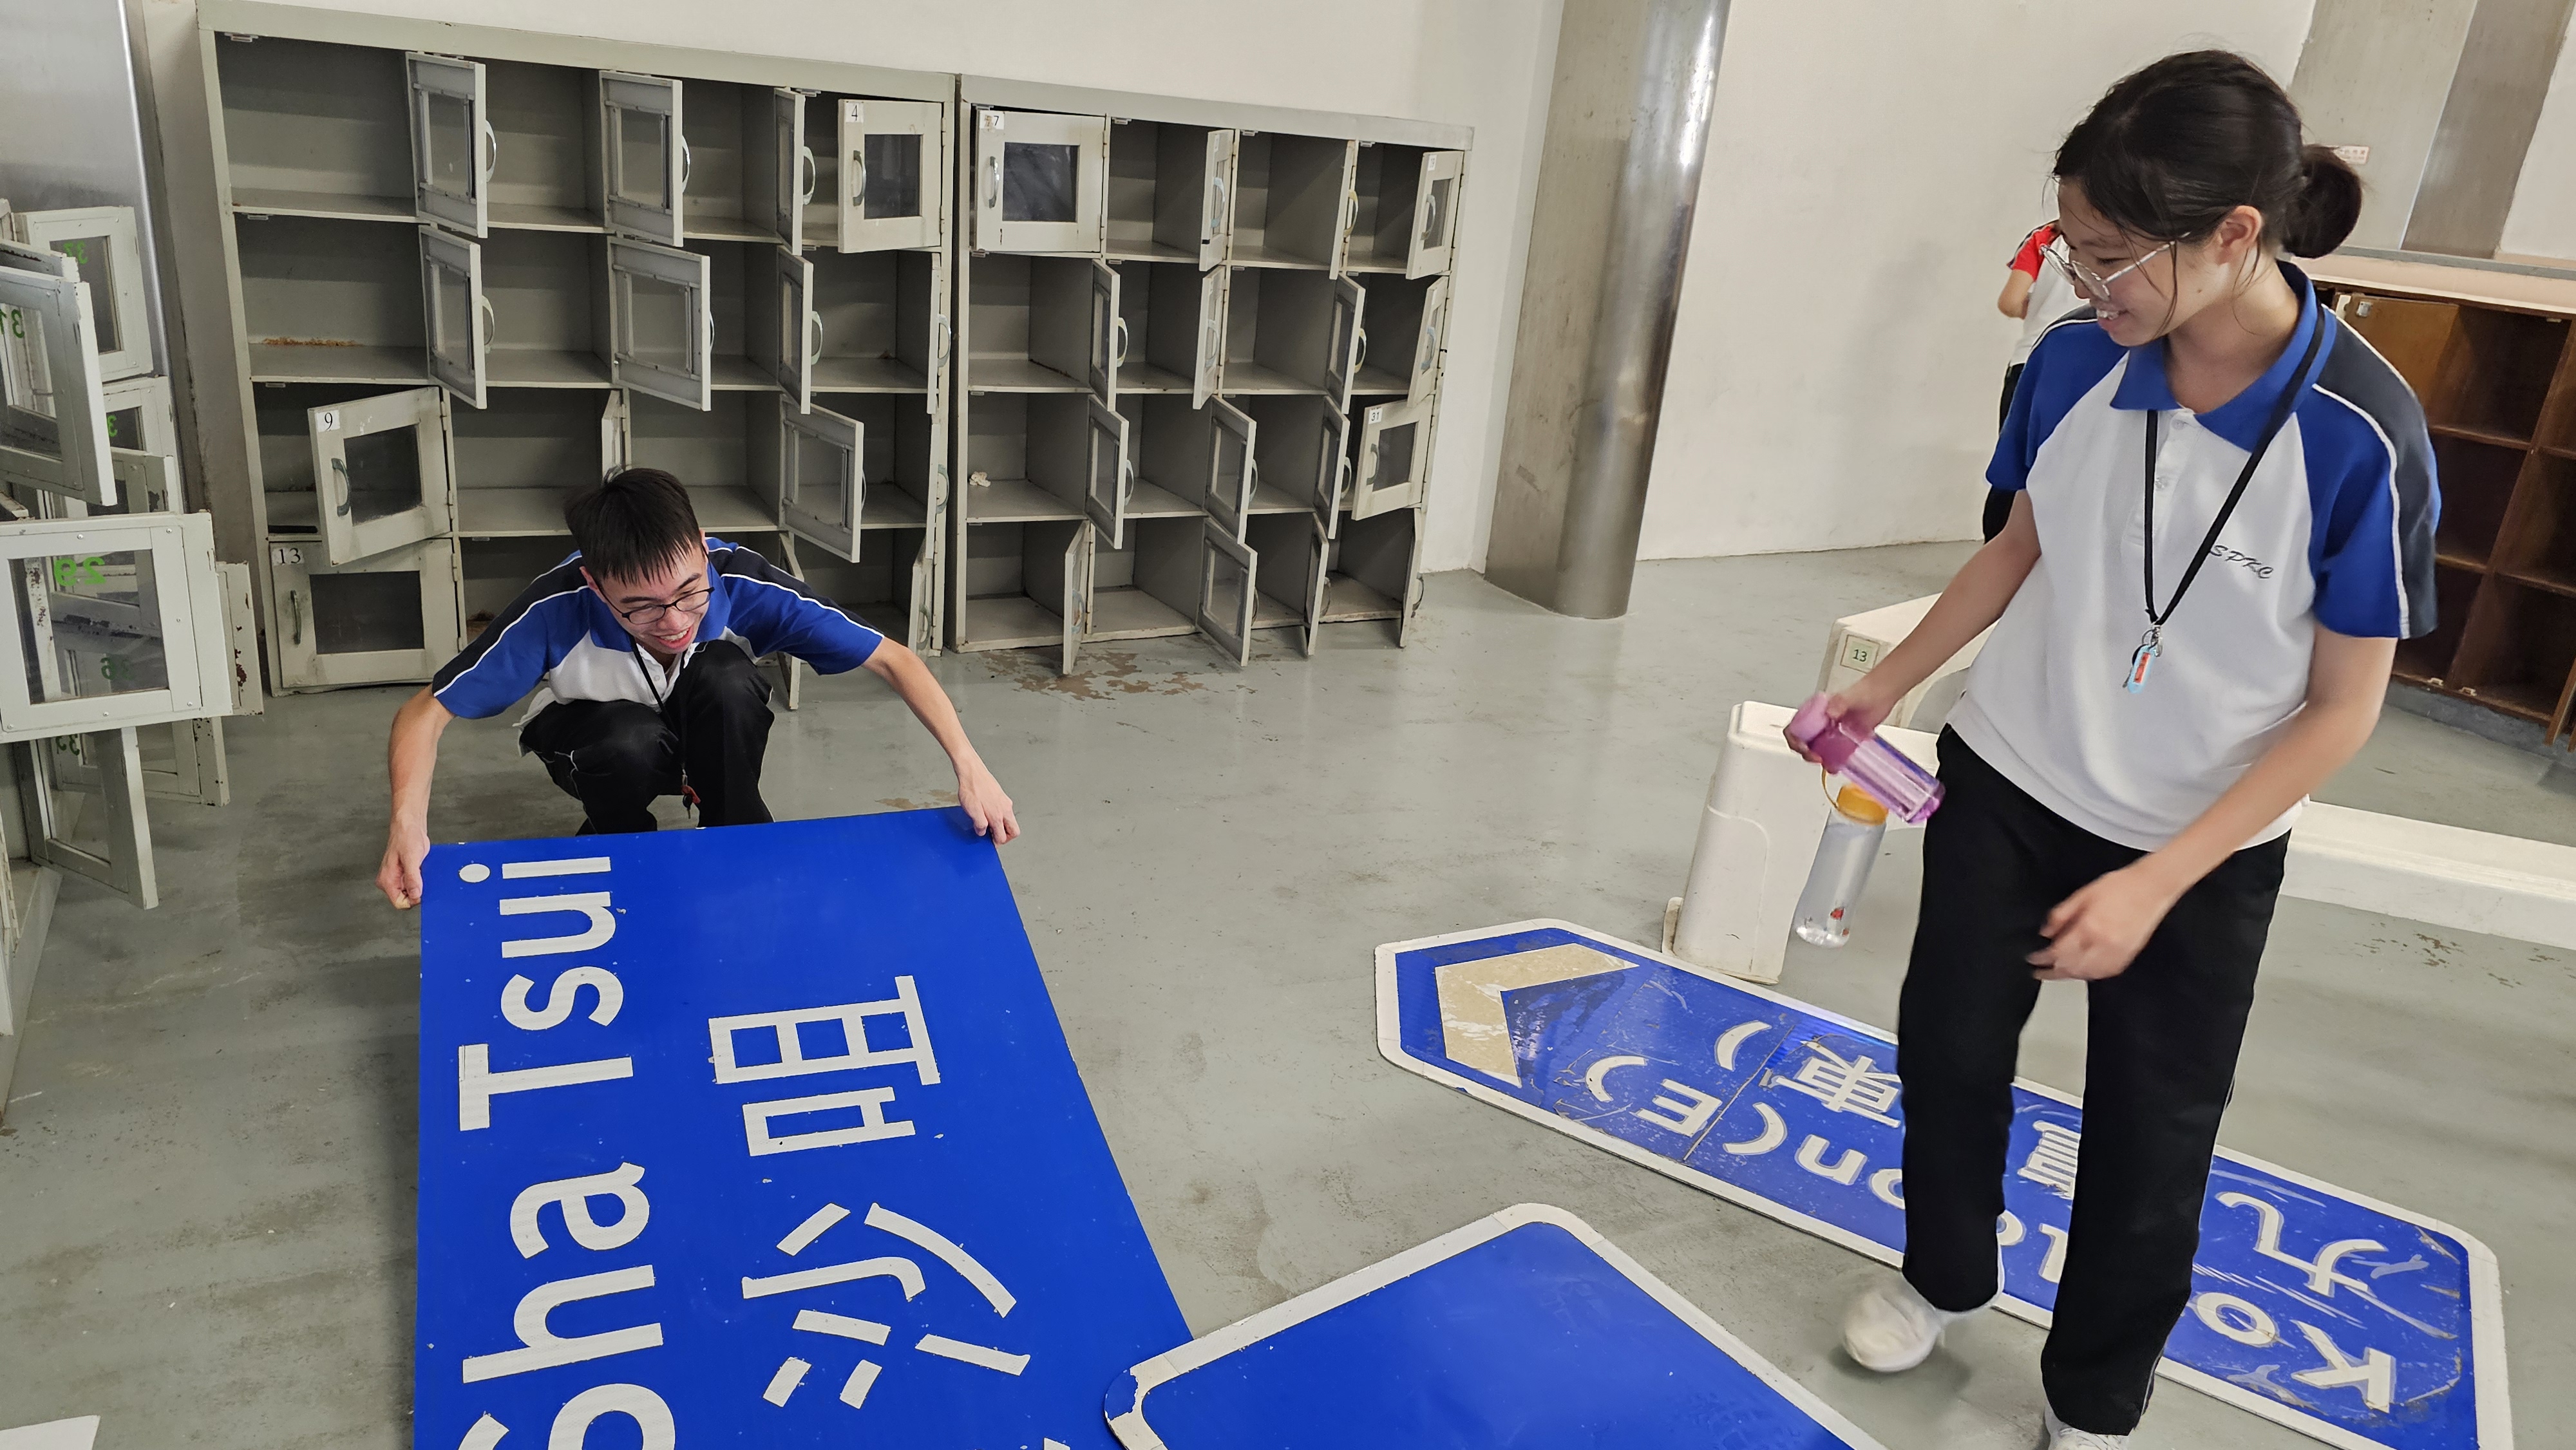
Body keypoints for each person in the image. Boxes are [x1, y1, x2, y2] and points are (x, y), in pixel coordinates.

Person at [1796, 52, 2434, 1449]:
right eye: (2069, 247)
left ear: (2233, 234)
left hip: (2199, 841)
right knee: (1947, 1050)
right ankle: (1941, 1277)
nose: (2086, 285)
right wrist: (1883, 688)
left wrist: (2158, 877)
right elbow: (2016, 547)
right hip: (2011, 777)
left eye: (2109, 256)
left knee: (2153, 1131)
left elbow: (2343, 706)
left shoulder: (2359, 433)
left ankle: (2092, 1393)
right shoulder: (2074, 359)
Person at [375, 467, 1018, 908]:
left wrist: (971, 766)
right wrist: (407, 824)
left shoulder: (743, 581)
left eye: (689, 592)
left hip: (703, 730)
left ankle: (735, 835)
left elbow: (894, 659)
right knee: (626, 741)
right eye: (643, 607)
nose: (675, 620)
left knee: (727, 674)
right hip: (597, 741)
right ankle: (618, 840)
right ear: (595, 585)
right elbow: (423, 713)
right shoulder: (554, 606)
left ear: (704, 550)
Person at [1991, 220, 2081, 540]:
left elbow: (2009, 301)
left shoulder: (2046, 236)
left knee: (2013, 468)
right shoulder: (2131, 233)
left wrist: (2038, 310)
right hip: (2089, 365)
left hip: (2029, 359)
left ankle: (1997, 553)